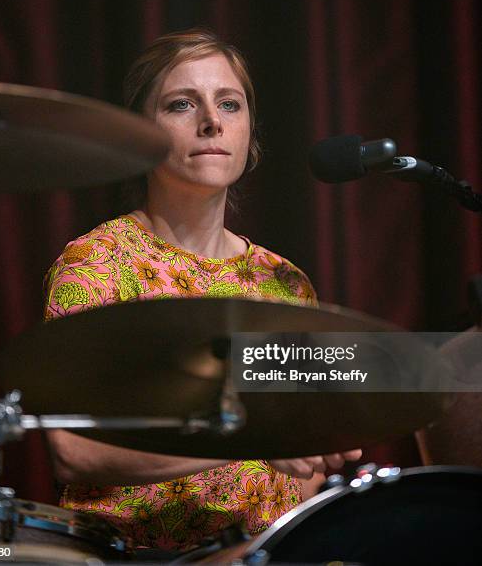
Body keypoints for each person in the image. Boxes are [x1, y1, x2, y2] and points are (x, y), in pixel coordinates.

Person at [44, 28, 362, 552]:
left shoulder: (284, 282)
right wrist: (245, 437)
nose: (212, 121)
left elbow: (302, 455)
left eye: (230, 104)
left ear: (249, 133)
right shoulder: (96, 264)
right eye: (182, 104)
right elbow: (75, 450)